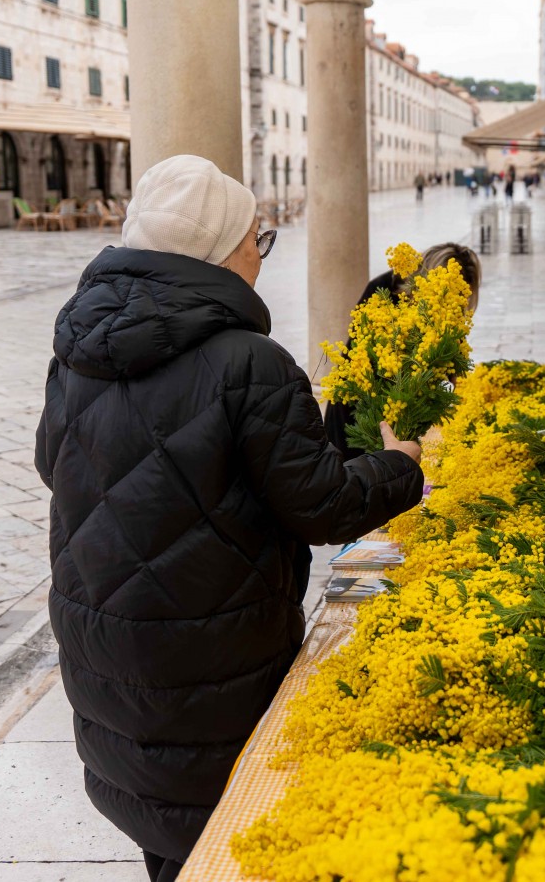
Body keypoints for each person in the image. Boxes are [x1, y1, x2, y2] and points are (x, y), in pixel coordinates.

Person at [35, 155, 426, 882]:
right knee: (219, 829)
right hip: (212, 649)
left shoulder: (76, 350)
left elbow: (51, 464)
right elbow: (324, 504)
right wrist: (402, 462)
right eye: (255, 237)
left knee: (164, 820)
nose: (259, 253)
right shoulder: (250, 362)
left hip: (105, 641)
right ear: (215, 249)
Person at [323, 242, 482, 461]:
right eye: (452, 291)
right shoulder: (383, 290)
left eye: (460, 295)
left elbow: (449, 372)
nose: (454, 301)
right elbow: (359, 356)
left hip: (403, 417)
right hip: (357, 407)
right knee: (349, 469)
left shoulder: (448, 314)